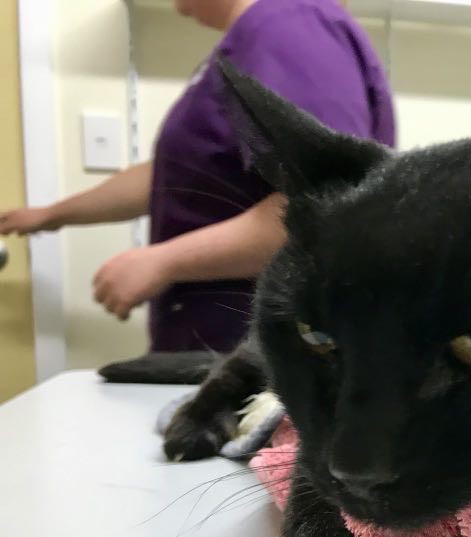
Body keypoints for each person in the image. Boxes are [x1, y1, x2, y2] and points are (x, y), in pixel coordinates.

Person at [0, 0, 394, 352]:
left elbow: (327, 202)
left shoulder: (290, 23)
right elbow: (174, 175)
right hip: (227, 350)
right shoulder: (262, 35)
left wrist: (162, 262)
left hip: (262, 359)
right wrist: (50, 215)